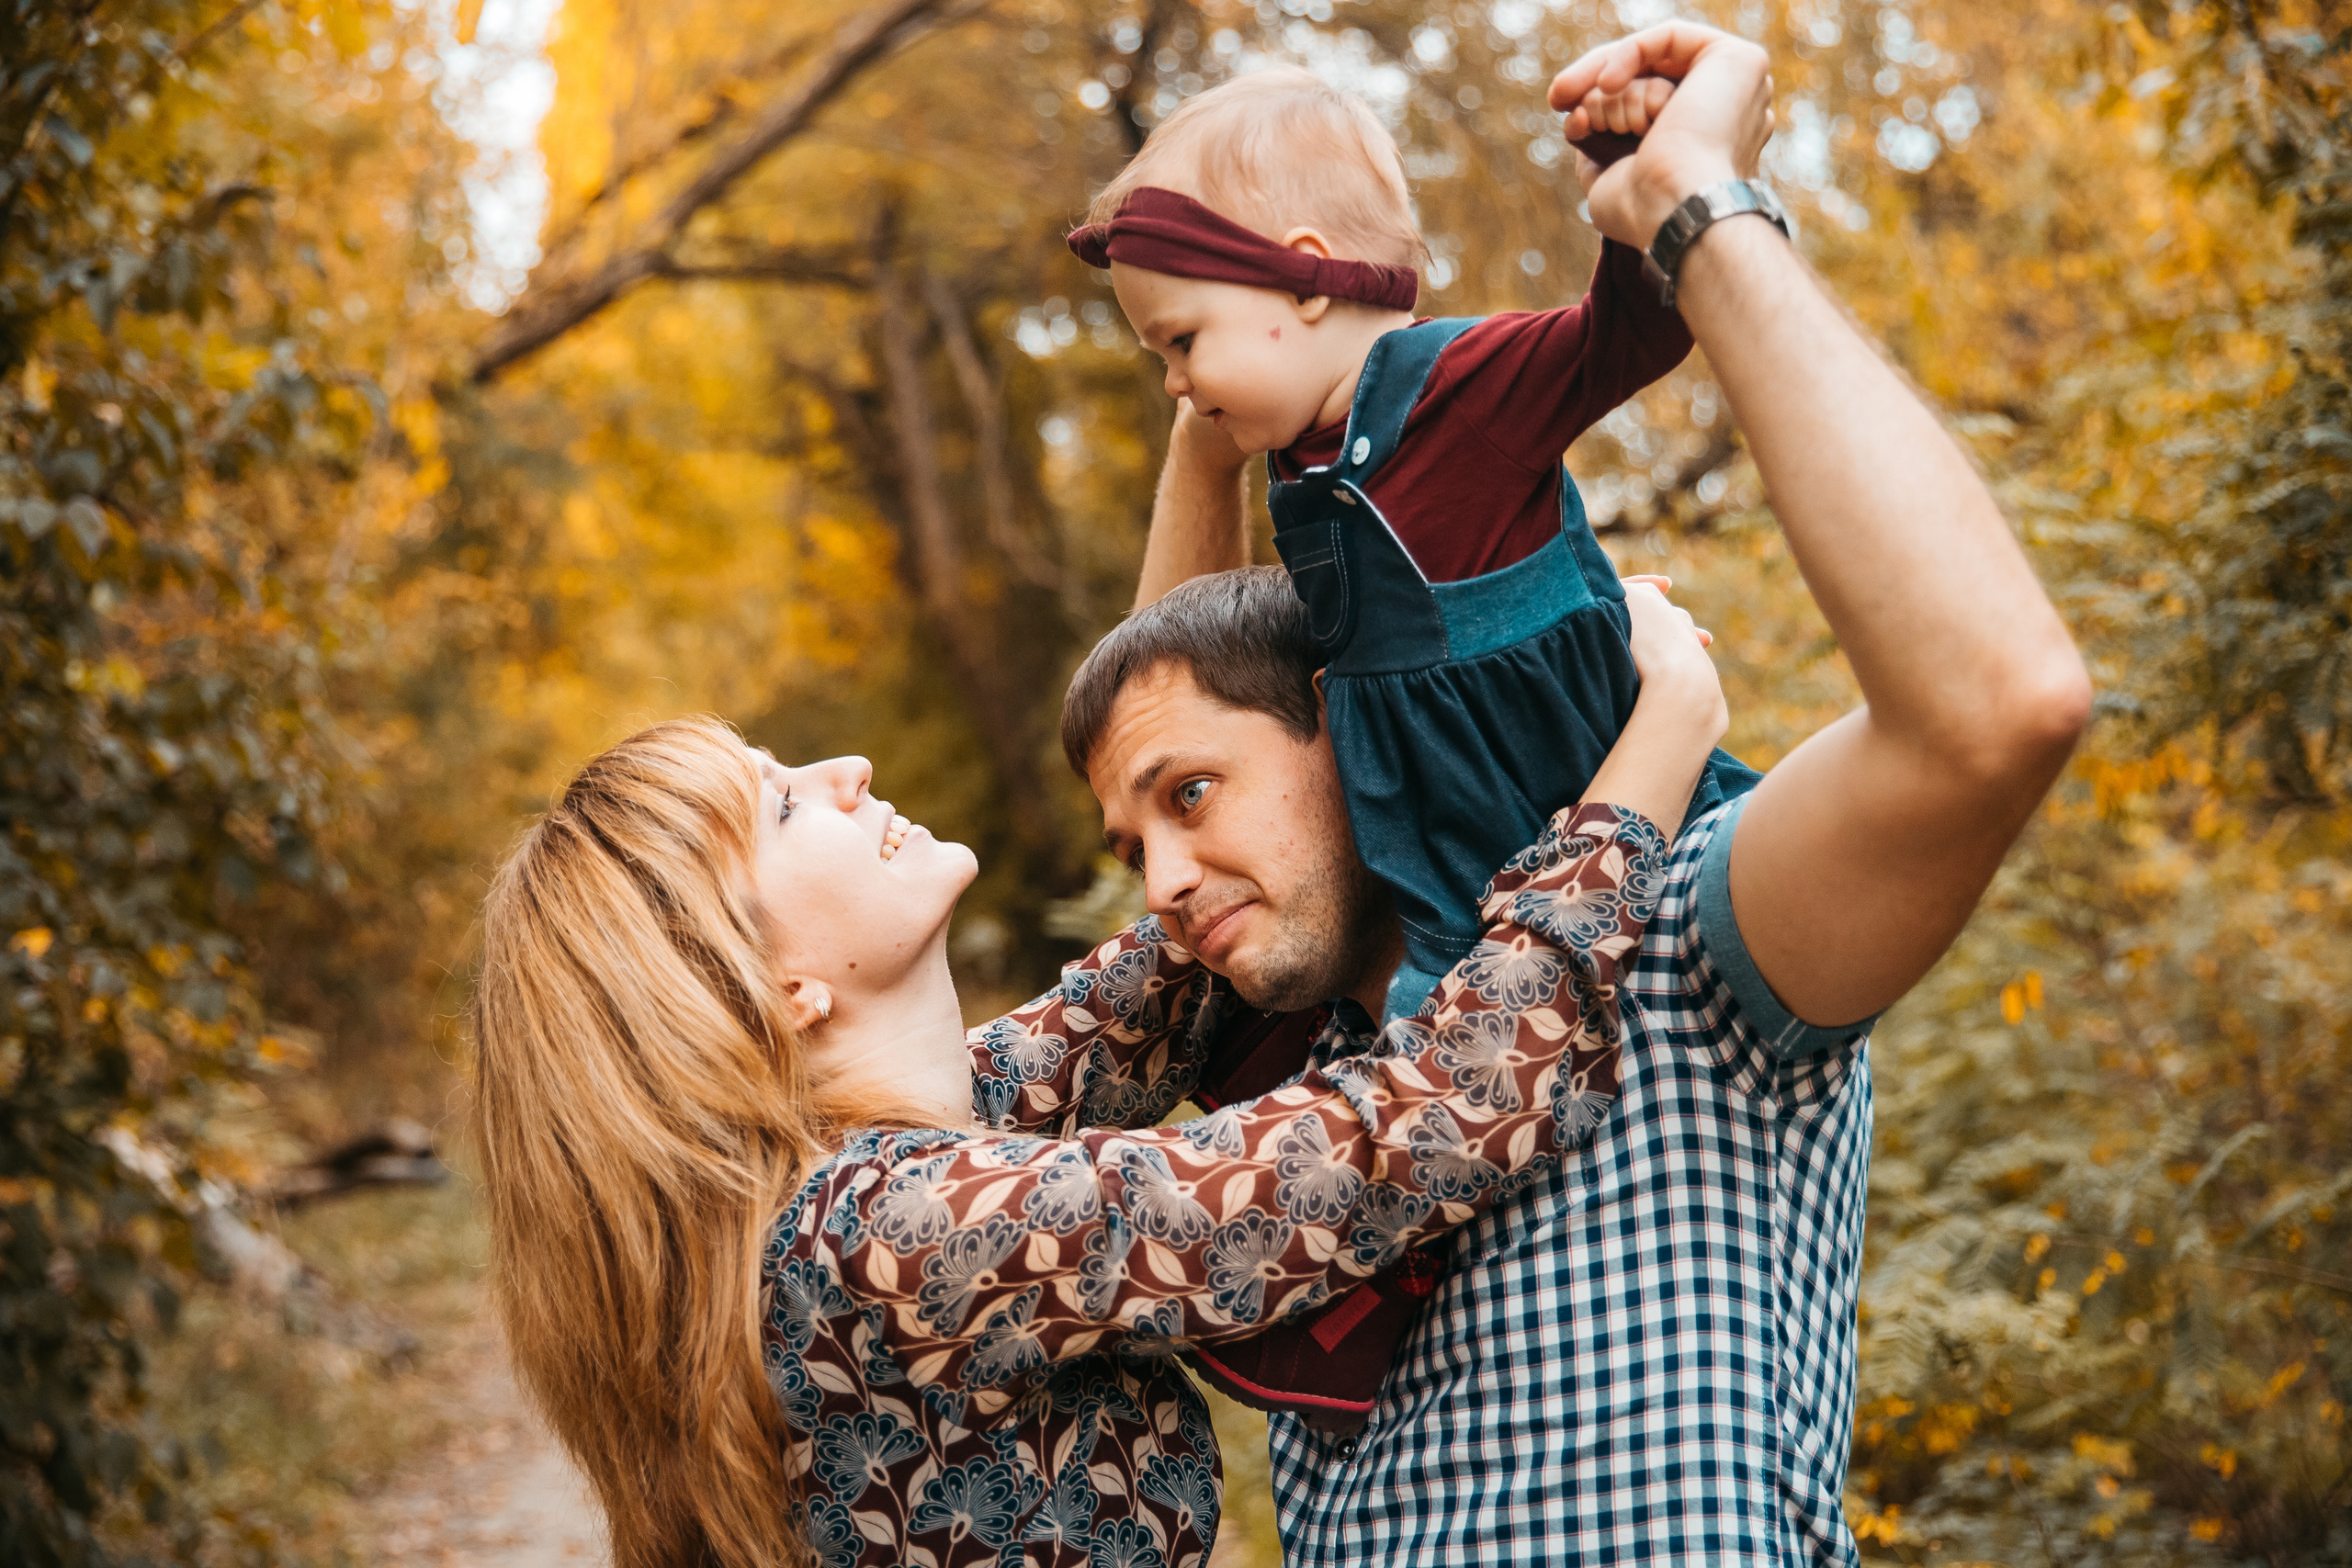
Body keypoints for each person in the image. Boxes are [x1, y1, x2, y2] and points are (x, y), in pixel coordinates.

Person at [1059, 20, 2094, 1566]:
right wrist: (1211, 404)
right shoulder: (1306, 1076)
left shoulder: (1678, 944)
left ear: (1332, 723)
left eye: (1195, 793)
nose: (1161, 880)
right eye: (1136, 839)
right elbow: (1169, 689)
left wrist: (1691, 207)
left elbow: (2000, 709)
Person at [469, 586, 1730, 1567]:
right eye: (787, 806)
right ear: (773, 987)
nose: (842, 770)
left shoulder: (885, 1153)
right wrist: (1656, 745)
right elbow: (1429, 1123)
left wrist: (1235, 431)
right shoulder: (888, 1234)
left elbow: (1196, 907)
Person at [1068, 65, 1757, 1025]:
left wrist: (1636, 202)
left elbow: (1624, 338)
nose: (1176, 383)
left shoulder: (1460, 385)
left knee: (1703, 929)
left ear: (1304, 280)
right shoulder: (1300, 461)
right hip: (1430, 844)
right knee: (1437, 1034)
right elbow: (1182, 677)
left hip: (1566, 769)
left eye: (1182, 342)